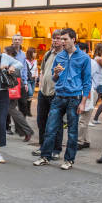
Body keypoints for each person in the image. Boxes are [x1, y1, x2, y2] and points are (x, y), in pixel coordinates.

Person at [33, 28, 91, 170]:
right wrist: (56, 73)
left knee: (72, 131)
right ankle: (45, 156)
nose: (62, 42)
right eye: (61, 39)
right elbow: (54, 77)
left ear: (73, 39)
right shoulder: (60, 56)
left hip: (74, 98)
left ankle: (69, 160)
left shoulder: (83, 58)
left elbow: (87, 82)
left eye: (65, 39)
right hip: (58, 97)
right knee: (50, 128)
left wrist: (83, 103)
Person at [33, 30, 64, 159]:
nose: (55, 40)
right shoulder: (47, 54)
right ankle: (43, 146)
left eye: (58, 38)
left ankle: (56, 149)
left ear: (63, 40)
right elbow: (44, 71)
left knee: (56, 122)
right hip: (43, 92)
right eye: (54, 38)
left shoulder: (64, 55)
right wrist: (40, 87)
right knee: (41, 120)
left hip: (55, 94)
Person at [4, 46, 34, 142]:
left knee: (11, 109)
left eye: (5, 53)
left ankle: (27, 130)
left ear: (10, 54)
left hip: (14, 89)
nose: (3, 54)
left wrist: (6, 71)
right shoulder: (10, 62)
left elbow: (15, 75)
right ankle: (24, 131)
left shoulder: (13, 63)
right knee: (11, 110)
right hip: (13, 89)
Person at [77, 42, 97, 150]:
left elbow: (86, 78)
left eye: (79, 50)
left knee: (83, 119)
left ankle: (79, 141)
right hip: (83, 90)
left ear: (85, 50)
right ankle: (86, 140)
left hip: (87, 91)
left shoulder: (90, 62)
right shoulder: (83, 60)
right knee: (84, 118)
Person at [11, 34, 30, 116]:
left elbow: (25, 68)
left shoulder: (23, 54)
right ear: (12, 41)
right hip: (11, 82)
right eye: (15, 39)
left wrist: (25, 82)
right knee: (10, 105)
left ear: (21, 41)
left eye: (19, 40)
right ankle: (7, 127)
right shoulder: (8, 53)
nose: (17, 41)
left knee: (23, 104)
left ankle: (20, 127)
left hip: (21, 82)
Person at [25, 47, 38, 117]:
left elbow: (36, 70)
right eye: (34, 52)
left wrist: (36, 78)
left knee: (31, 95)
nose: (35, 54)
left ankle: (27, 110)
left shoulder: (35, 61)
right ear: (30, 53)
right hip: (28, 79)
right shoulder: (25, 61)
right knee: (30, 93)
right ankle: (27, 111)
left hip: (33, 79)